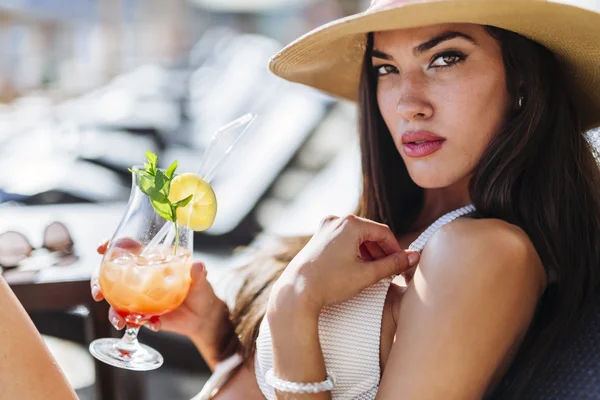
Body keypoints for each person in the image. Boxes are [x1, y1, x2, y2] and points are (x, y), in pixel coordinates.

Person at [98, 0, 599, 399]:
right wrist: (215, 334)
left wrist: (295, 307)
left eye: (444, 58)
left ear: (523, 82)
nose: (408, 102)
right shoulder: (400, 227)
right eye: (386, 69)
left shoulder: (482, 250)